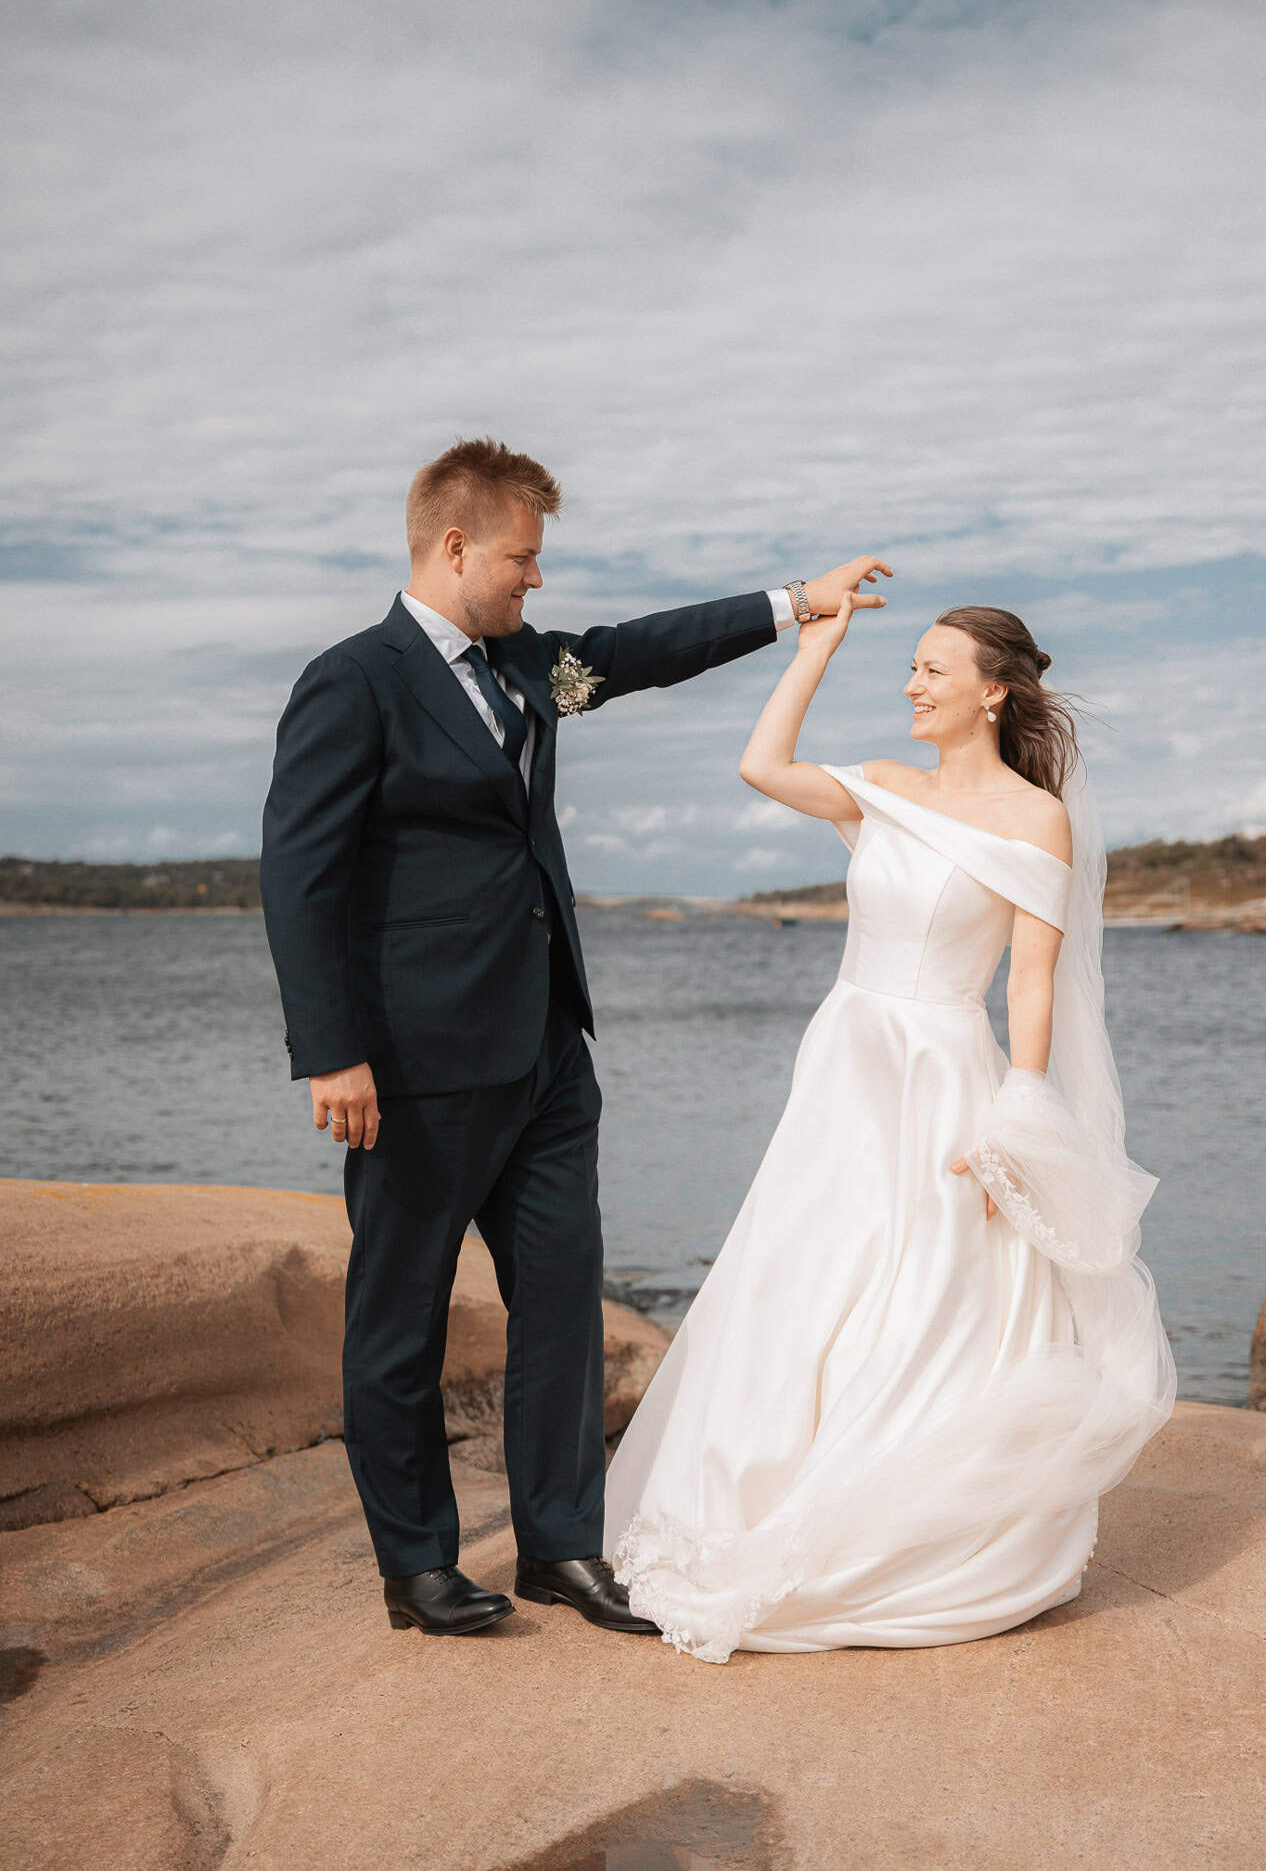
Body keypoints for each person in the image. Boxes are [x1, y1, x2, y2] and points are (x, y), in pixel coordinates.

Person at [259, 434, 886, 1637]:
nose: (534, 581)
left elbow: (633, 658)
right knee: (402, 1318)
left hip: (548, 1050)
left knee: (560, 1307)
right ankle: (418, 1564)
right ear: (455, 545)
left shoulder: (531, 673)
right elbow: (300, 875)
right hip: (415, 1066)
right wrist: (329, 1049)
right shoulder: (357, 681)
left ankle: (559, 1547)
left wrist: (794, 604)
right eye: (521, 559)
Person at [604, 594, 1176, 1662]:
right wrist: (814, 648)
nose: (912, 684)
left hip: (947, 1069)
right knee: (801, 1274)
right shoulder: (882, 790)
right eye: (910, 667)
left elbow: (1035, 985)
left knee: (928, 1296)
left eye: (932, 669)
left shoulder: (1034, 817)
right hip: (846, 1063)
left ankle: (905, 1532)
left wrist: (1021, 1115)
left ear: (993, 690)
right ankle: (747, 1493)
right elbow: (762, 765)